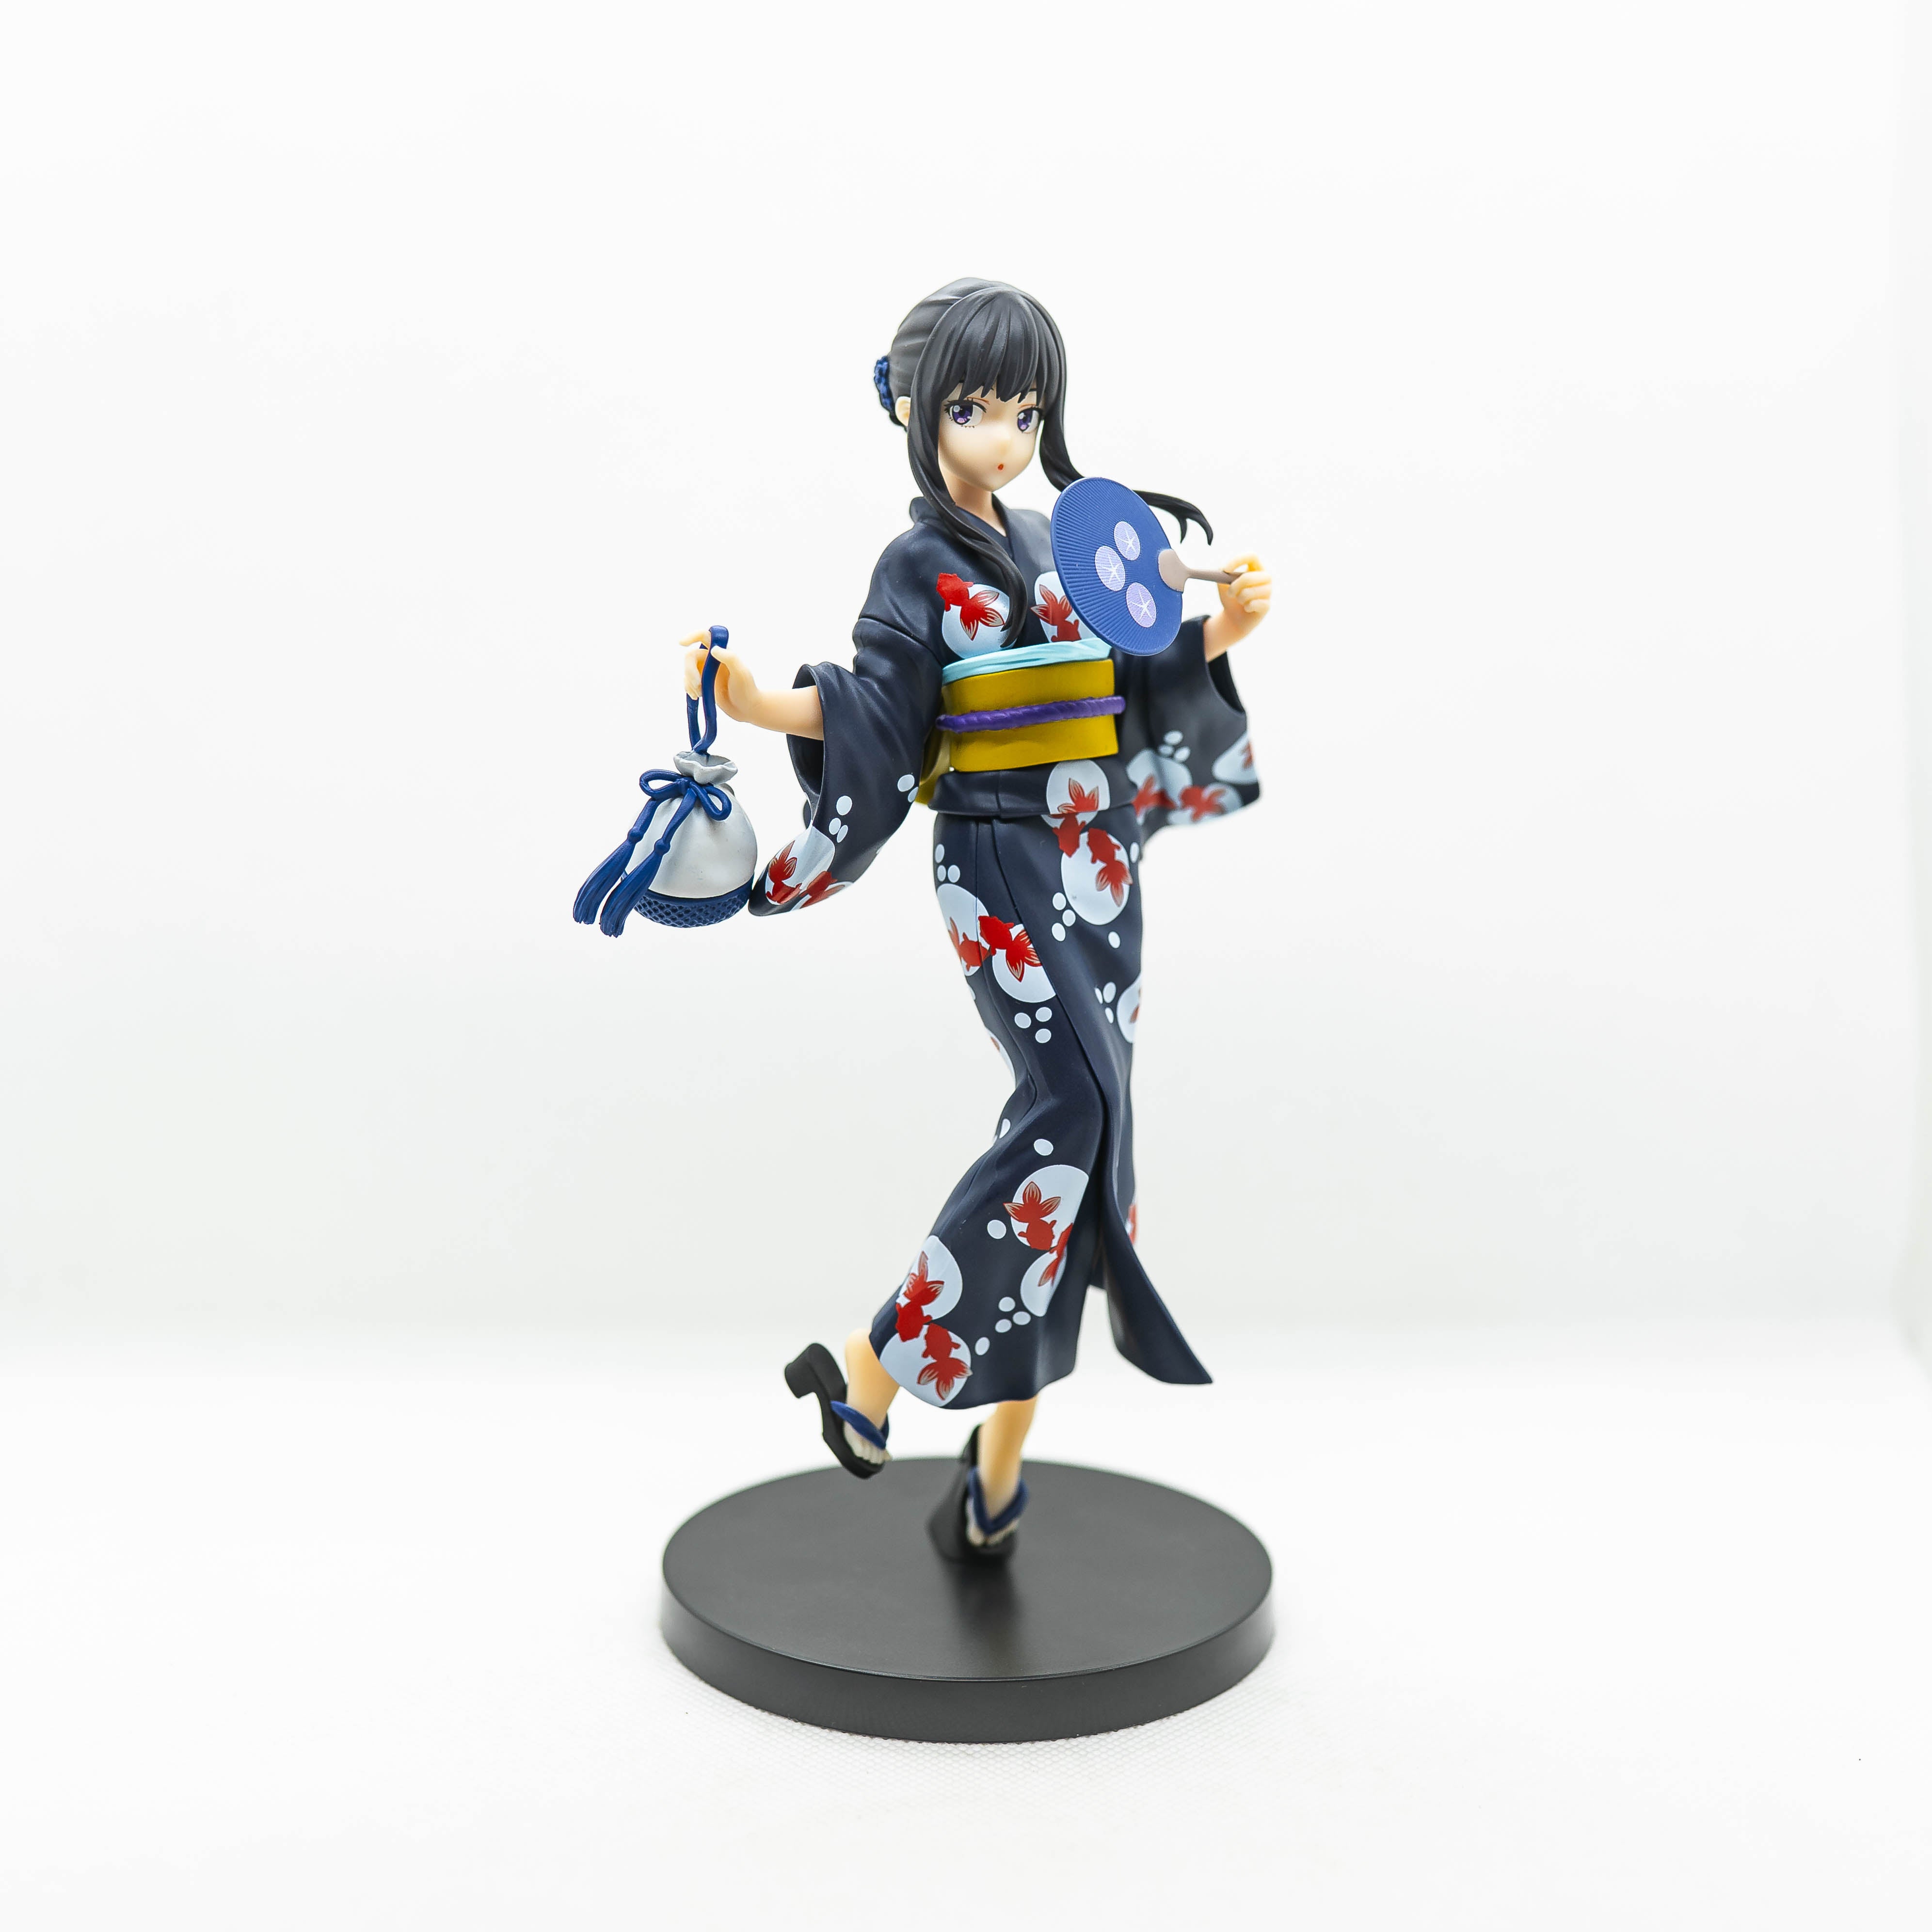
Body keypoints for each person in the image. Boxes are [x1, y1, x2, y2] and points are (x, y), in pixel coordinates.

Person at [681, 279, 1272, 1561]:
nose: (1004, 436)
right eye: (973, 409)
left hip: (1096, 849)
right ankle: (873, 1363)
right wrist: (760, 703)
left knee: (1089, 1152)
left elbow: (1134, 675)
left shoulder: (1062, 534)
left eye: (1026, 411)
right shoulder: (918, 567)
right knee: (1069, 1111)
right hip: (1000, 851)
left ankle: (996, 1471)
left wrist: (1218, 627)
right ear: (912, 411)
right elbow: (879, 709)